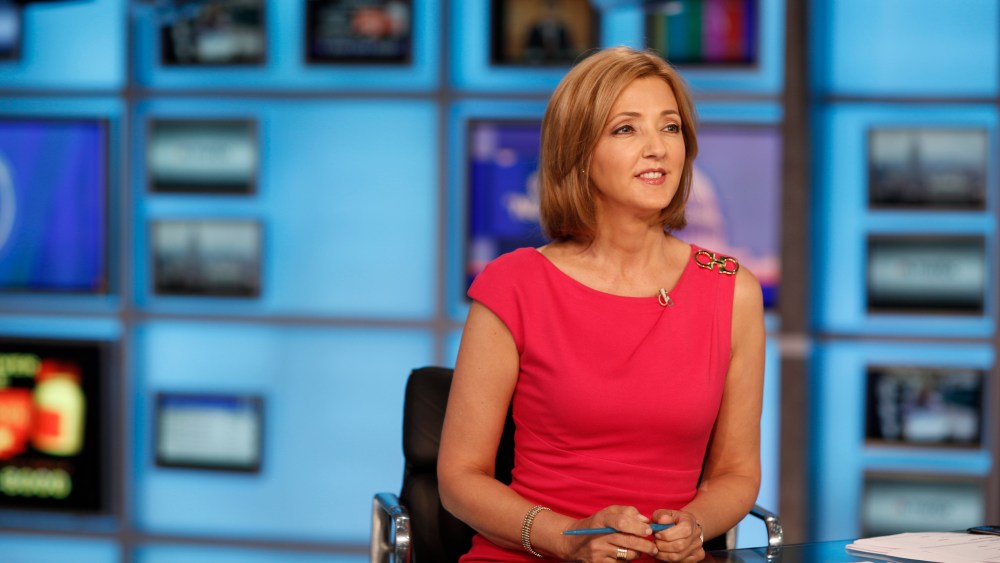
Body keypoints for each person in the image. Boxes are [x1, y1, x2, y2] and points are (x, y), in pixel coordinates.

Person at [438, 46, 765, 563]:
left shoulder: (734, 289)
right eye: (626, 129)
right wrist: (565, 536)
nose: (657, 148)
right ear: (578, 150)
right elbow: (459, 478)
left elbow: (736, 473)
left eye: (670, 127)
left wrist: (696, 525)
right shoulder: (514, 283)